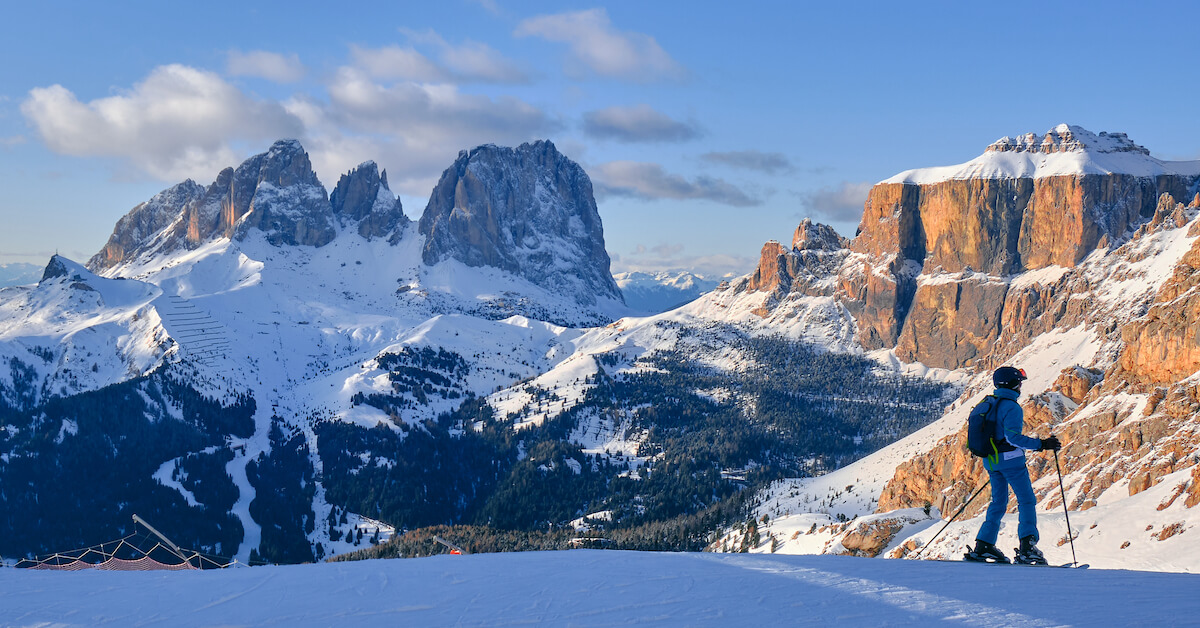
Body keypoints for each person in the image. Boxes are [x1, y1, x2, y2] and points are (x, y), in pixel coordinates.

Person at [965, 366, 1061, 565]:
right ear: (1013, 384)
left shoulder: (988, 403)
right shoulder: (1011, 406)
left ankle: (983, 545)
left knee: (998, 502)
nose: (1020, 387)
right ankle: (1028, 546)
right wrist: (1042, 444)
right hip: (1011, 461)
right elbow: (1013, 438)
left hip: (990, 461)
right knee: (1026, 501)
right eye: (1019, 382)